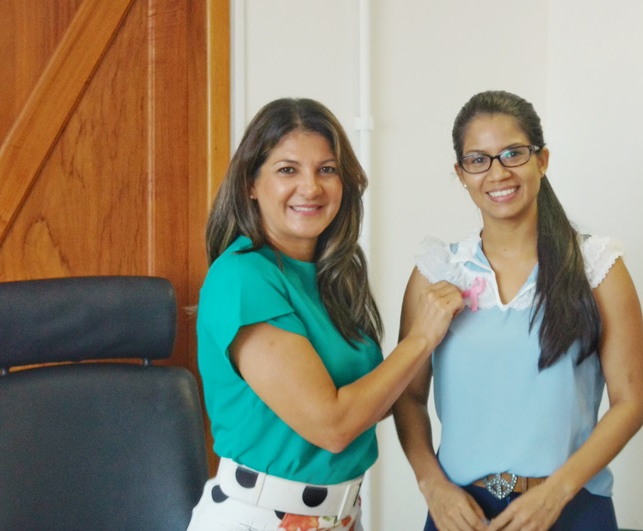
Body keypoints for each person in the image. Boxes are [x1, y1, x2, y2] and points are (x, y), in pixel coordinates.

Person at [187, 98, 463, 531]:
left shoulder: (334, 276)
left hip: (340, 516)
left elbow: (373, 402)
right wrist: (421, 339)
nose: (311, 187)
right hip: (259, 519)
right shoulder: (242, 278)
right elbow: (333, 426)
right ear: (251, 184)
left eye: (327, 169)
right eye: (287, 170)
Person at [393, 90, 643, 531]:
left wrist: (557, 492)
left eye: (513, 153)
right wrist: (432, 486)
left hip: (571, 507)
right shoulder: (437, 272)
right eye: (478, 160)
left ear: (542, 160)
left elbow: (630, 402)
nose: (498, 173)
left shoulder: (596, 267)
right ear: (461, 173)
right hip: (461, 514)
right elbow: (408, 396)